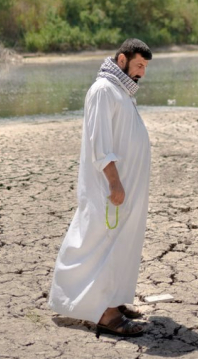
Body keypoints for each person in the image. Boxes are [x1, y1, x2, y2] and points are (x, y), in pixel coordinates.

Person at [48, 38, 153, 337]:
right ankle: (105, 314)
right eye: (139, 66)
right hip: (109, 189)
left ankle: (114, 300)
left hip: (125, 189)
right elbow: (100, 144)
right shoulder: (103, 90)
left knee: (121, 243)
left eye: (145, 67)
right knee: (98, 242)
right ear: (122, 60)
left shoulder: (120, 90)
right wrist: (115, 182)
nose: (142, 73)